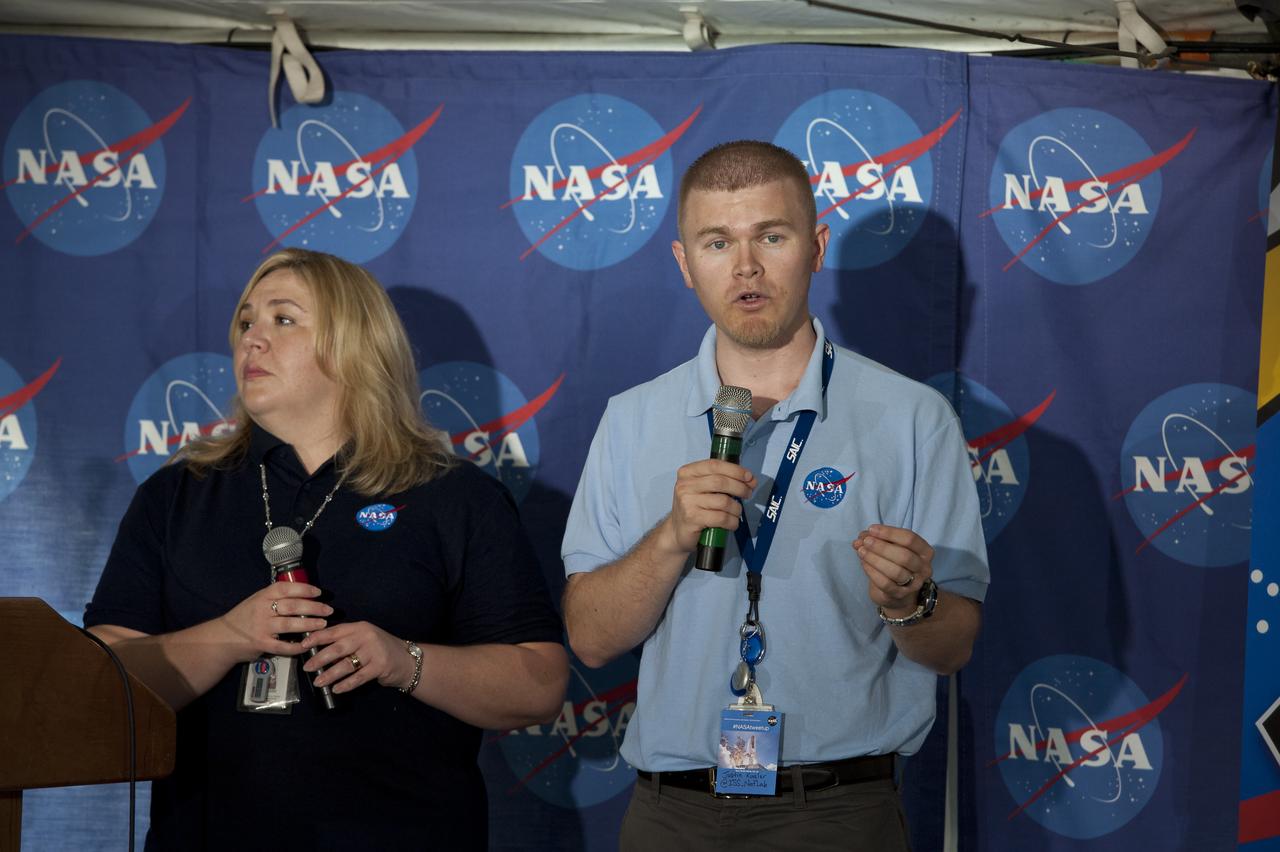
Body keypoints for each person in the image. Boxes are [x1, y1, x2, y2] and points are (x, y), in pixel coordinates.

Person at [561, 141, 989, 850]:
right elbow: (591, 637)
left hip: (838, 812)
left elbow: (953, 647)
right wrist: (669, 537)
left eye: (772, 236)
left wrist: (910, 602)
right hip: (672, 813)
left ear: (816, 248)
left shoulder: (913, 419)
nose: (747, 266)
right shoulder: (632, 418)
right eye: (718, 242)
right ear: (684, 264)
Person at [85, 248, 568, 850]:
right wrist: (231, 635)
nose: (252, 341)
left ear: (354, 345)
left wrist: (404, 661)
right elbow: (100, 682)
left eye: (283, 320)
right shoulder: (176, 496)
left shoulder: (454, 497)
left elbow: (540, 683)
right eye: (245, 323)